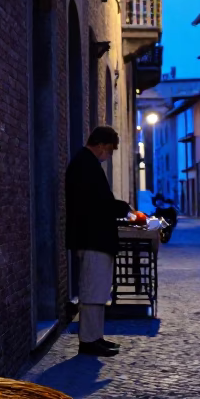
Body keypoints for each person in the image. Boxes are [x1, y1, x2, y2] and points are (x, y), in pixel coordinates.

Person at [65, 126, 134, 356]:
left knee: (98, 290)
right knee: (93, 291)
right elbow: (95, 203)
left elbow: (97, 201)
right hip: (92, 237)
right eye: (111, 150)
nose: (110, 155)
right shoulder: (84, 165)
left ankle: (95, 337)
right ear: (102, 145)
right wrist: (122, 207)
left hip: (95, 237)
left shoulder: (86, 163)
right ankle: (88, 341)